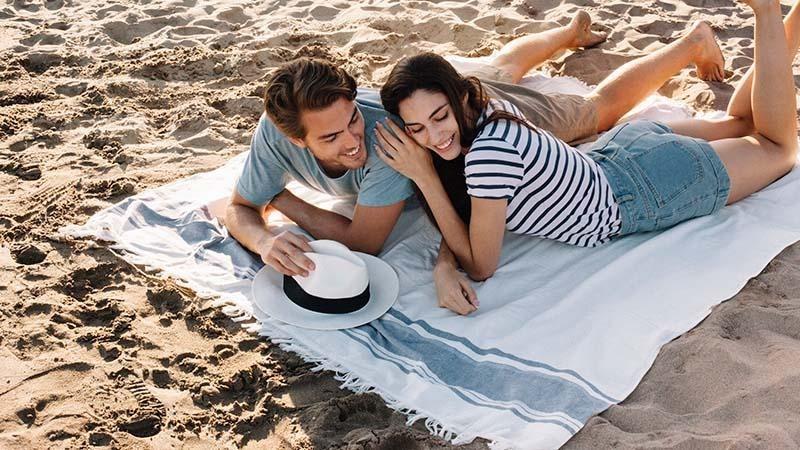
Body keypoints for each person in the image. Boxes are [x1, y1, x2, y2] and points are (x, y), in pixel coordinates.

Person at [224, 11, 725, 313]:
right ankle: (567, 33)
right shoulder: (274, 134)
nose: (355, 140)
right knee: (495, 68)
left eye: (353, 118)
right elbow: (241, 207)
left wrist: (282, 199)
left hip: (467, 119)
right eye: (332, 137)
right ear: (292, 137)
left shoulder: (389, 141)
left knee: (596, 113)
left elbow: (363, 243)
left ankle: (692, 42)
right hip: (436, 110)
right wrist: (264, 239)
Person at [376, 0, 798, 315]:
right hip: (623, 153)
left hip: (648, 187)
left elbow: (482, 266)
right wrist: (444, 265)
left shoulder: (487, 155)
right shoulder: (483, 108)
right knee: (742, 122)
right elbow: (472, 218)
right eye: (417, 128)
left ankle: (765, 10)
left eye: (439, 117)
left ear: (458, 97)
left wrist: (425, 178)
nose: (434, 137)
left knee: (776, 146)